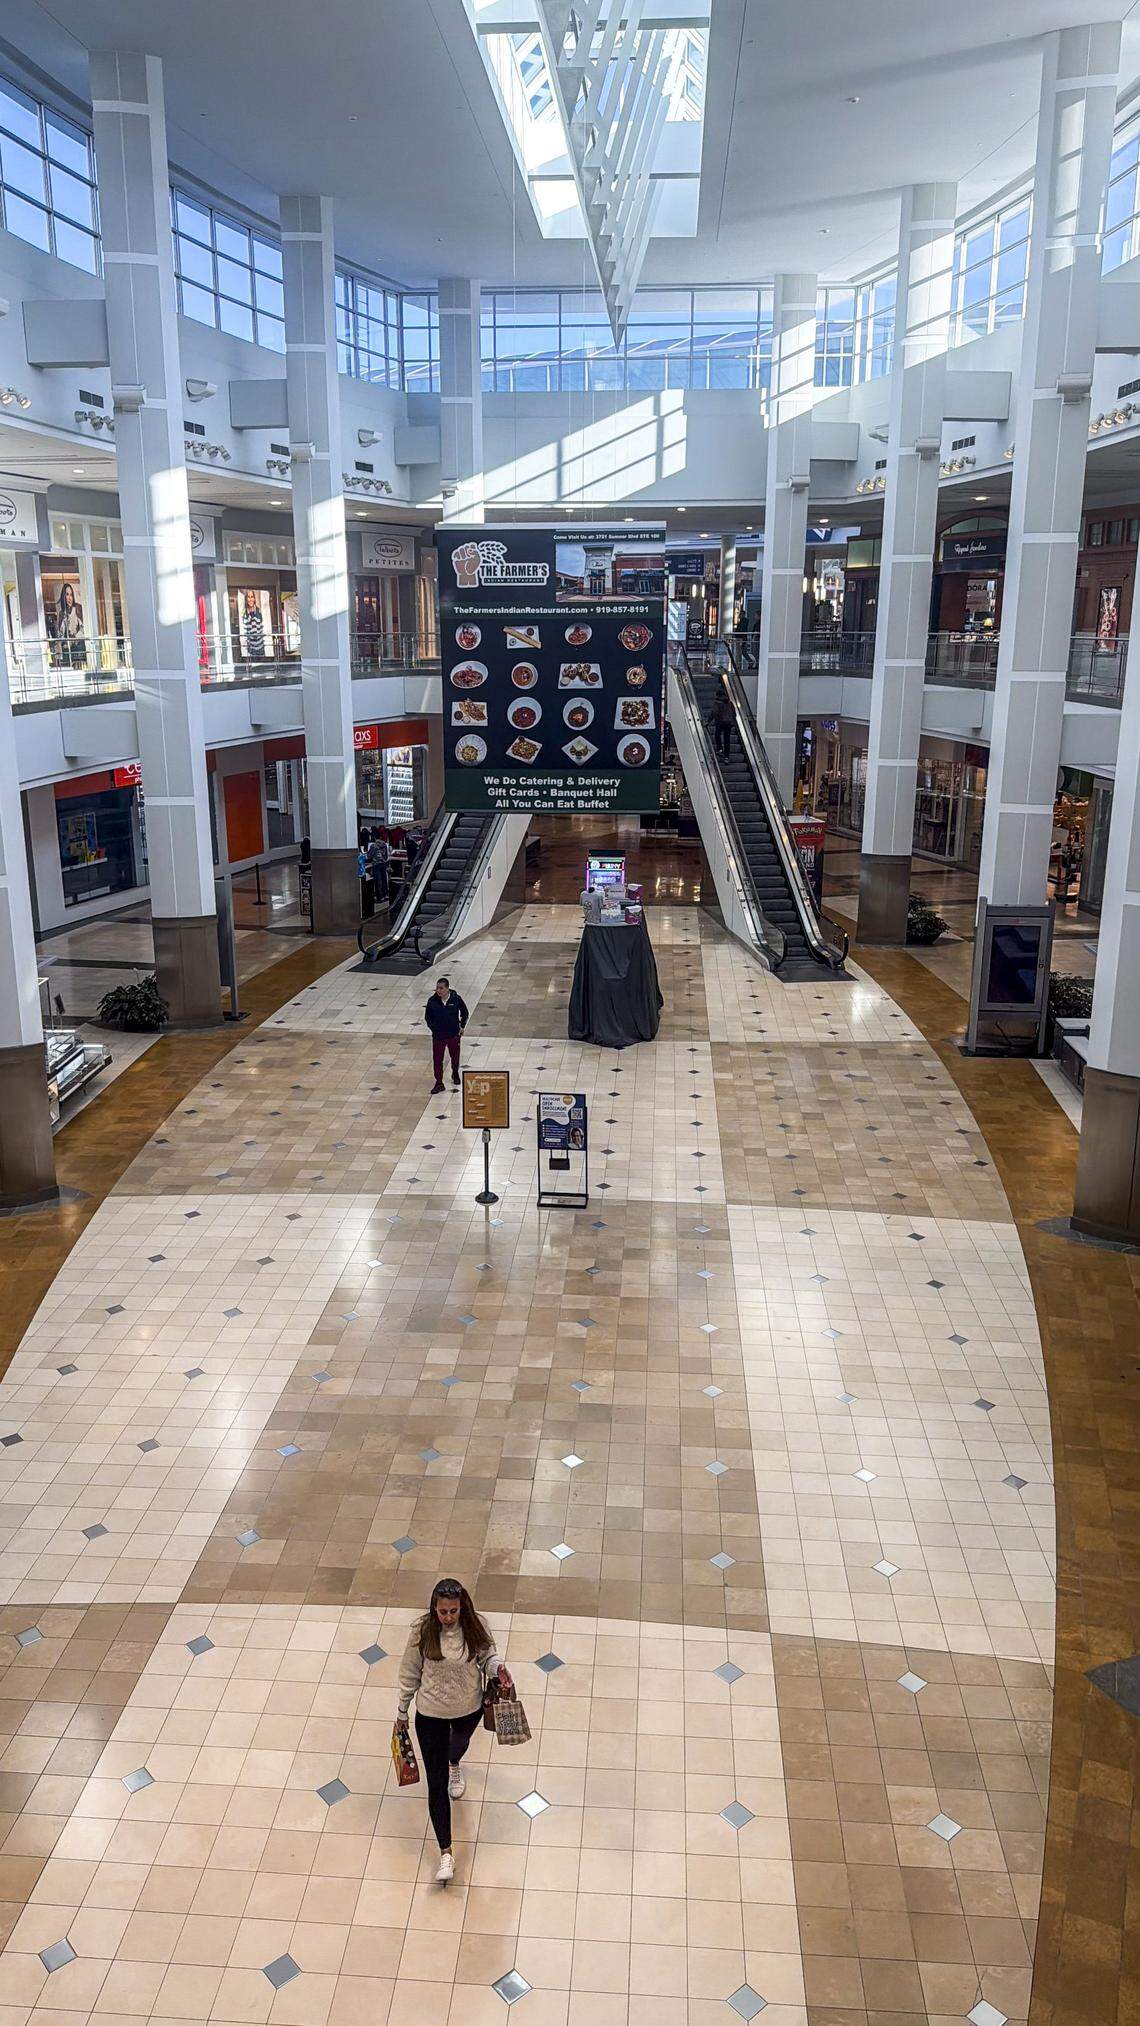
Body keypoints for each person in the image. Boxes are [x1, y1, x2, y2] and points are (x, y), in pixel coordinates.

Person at [396, 1578, 512, 1882]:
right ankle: (446, 1852)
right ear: (434, 1608)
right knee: (436, 1785)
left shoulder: (476, 1626)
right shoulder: (422, 1631)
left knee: (457, 1745)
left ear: (462, 1608)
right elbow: (409, 1672)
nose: (448, 1617)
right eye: (443, 1611)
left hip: (468, 1709)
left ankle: (454, 1763)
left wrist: (498, 1668)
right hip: (430, 1714)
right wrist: (402, 1710)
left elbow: (488, 1657)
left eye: (453, 1611)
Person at [424, 975, 468, 1093]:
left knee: (455, 1056)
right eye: (437, 988)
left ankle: (455, 1073)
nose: (438, 990)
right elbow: (428, 1018)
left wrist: (462, 1026)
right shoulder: (432, 1001)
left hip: (453, 1035)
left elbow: (465, 1012)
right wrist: (434, 1029)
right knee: (438, 1060)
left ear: (447, 988)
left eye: (441, 988)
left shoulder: (456, 999)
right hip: (438, 1037)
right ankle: (439, 1082)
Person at [711, 686, 733, 760]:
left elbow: (714, 713)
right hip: (728, 723)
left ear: (717, 695)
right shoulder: (729, 703)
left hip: (720, 722)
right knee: (727, 740)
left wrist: (708, 721)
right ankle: (727, 757)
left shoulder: (717, 703)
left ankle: (719, 749)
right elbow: (734, 713)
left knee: (717, 735)